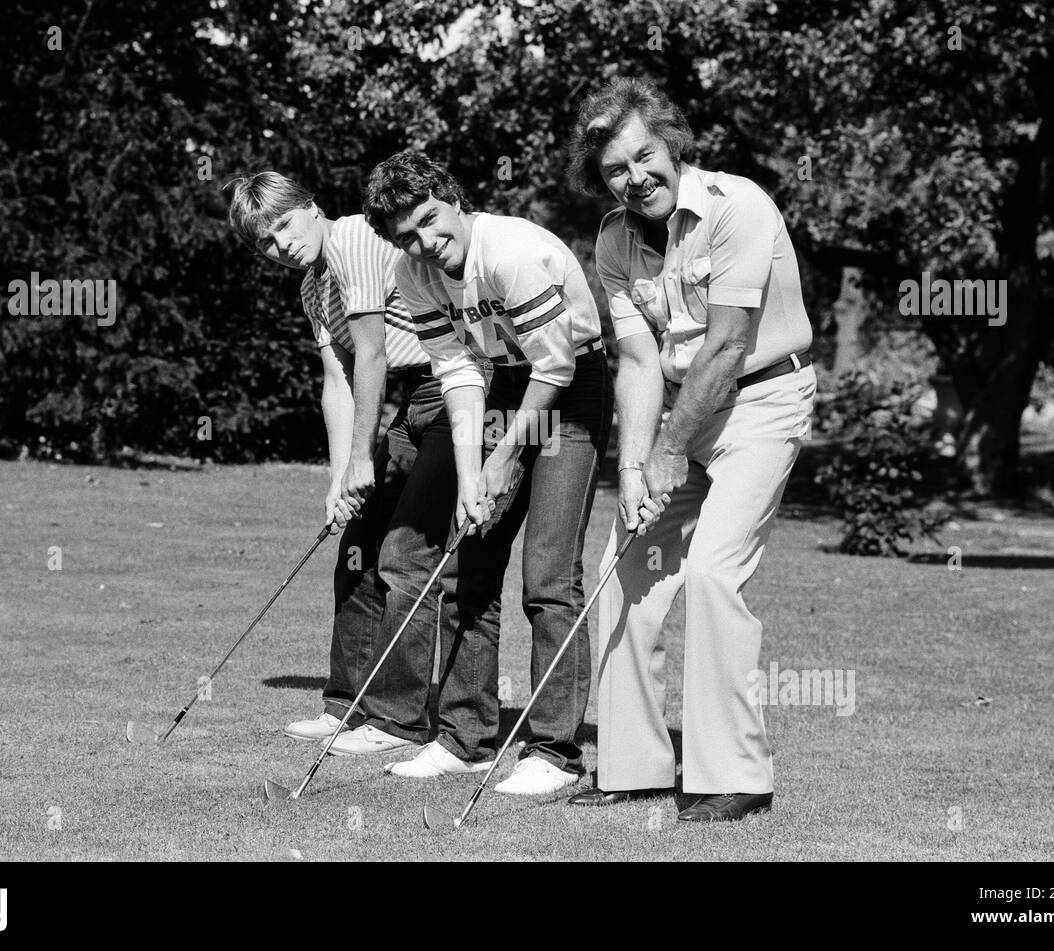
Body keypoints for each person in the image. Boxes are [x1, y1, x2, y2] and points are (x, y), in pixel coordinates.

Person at [564, 78, 816, 821]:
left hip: (764, 401)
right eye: (614, 168)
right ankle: (632, 765)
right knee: (620, 568)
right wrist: (636, 468)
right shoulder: (613, 241)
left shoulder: (739, 207)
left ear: (671, 144)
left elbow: (731, 343)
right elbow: (640, 364)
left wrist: (670, 451)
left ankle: (734, 773)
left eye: (644, 156)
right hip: (687, 412)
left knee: (709, 572)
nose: (634, 176)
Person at [362, 151, 613, 795]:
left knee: (549, 574)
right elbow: (458, 373)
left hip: (572, 384)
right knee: (472, 561)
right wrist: (474, 476)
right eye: (406, 236)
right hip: (498, 384)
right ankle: (465, 738)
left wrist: (504, 461)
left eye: (429, 220)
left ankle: (554, 750)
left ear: (451, 197)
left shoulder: (513, 252)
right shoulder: (412, 273)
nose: (424, 242)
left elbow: (554, 369)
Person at [226, 171, 449, 756]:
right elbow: (338, 380)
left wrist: (361, 461)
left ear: (310, 207)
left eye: (283, 224)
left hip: (452, 388)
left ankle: (396, 719)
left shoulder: (353, 239)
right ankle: (347, 707)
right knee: (355, 553)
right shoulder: (310, 288)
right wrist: (338, 480)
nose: (282, 245)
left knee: (403, 558)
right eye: (267, 243)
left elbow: (372, 354)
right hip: (406, 400)